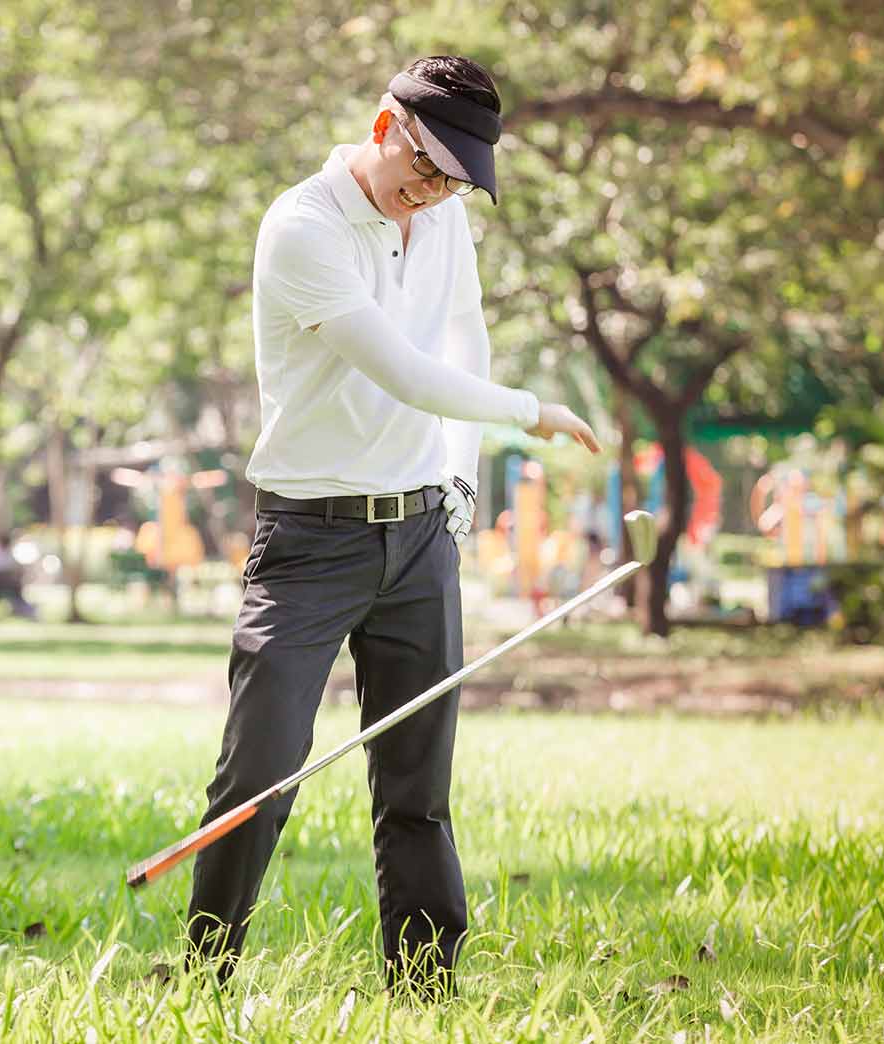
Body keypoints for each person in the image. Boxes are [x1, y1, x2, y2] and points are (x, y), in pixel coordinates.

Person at [183, 55, 604, 996]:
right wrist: (527, 410)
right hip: (308, 542)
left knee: (417, 787)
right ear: (384, 127)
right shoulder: (303, 229)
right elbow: (405, 373)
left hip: (418, 535)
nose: (433, 196)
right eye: (425, 171)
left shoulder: (442, 216)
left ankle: (425, 990)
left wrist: (456, 485)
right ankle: (204, 979)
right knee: (260, 773)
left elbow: (460, 338)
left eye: (455, 183)